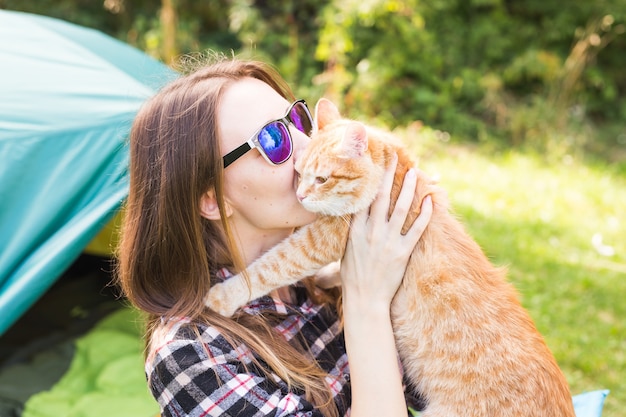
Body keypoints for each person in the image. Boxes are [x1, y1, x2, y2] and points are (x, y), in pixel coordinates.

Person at [116, 56, 433, 417]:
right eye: (274, 140)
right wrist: (367, 304)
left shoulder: (329, 269)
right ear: (210, 200)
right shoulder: (192, 358)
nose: (307, 148)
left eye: (299, 120)